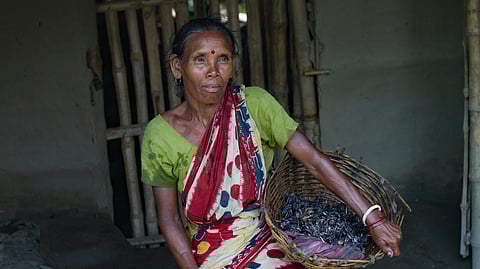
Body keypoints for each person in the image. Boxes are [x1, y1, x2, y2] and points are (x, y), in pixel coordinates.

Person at [141, 18, 402, 269]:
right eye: (200, 60)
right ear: (177, 67)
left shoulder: (254, 105)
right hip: (210, 252)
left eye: (223, 59)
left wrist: (373, 219)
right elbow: (170, 219)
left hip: (270, 235)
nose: (213, 72)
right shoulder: (160, 135)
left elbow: (314, 161)